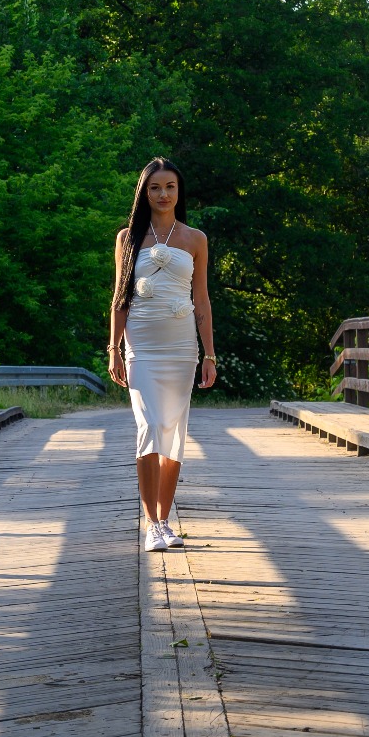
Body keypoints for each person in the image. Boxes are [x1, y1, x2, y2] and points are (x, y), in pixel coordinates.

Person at [108, 156, 217, 553]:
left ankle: (165, 520)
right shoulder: (128, 239)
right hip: (141, 347)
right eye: (155, 188)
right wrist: (113, 349)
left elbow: (201, 300)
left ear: (178, 191)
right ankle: (151, 523)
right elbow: (119, 300)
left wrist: (210, 354)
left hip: (182, 348)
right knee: (150, 428)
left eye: (170, 187)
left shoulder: (195, 239)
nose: (163, 194)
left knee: (172, 434)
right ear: (145, 193)